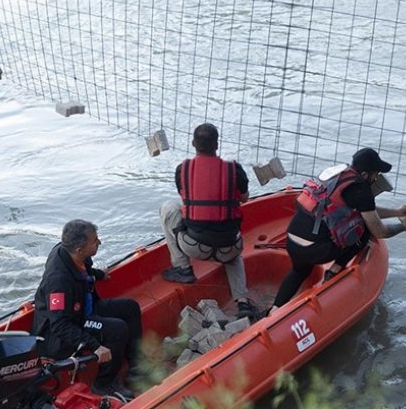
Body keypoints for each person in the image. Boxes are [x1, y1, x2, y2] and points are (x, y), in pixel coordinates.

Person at [268, 147, 406, 313]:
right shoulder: (361, 190)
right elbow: (379, 231)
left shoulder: (336, 175)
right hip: (315, 250)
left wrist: (397, 212)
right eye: (375, 174)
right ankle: (335, 270)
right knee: (365, 230)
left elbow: (366, 210)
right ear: (364, 175)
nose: (376, 178)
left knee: (299, 271)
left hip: (292, 241)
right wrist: (404, 227)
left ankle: (274, 310)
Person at [31, 219, 142, 400]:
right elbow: (59, 325)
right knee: (117, 329)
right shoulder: (58, 281)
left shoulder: (73, 254)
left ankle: (136, 367)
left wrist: (98, 274)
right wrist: (95, 346)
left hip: (84, 308)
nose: (99, 242)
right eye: (95, 241)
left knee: (130, 307)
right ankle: (103, 383)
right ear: (79, 249)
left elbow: (85, 269)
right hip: (64, 328)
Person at [159, 123, 259, 320]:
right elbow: (245, 198)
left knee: (169, 208)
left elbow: (185, 197)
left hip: (194, 247)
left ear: (193, 143)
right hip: (228, 248)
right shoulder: (234, 170)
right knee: (234, 256)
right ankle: (243, 302)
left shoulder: (182, 170)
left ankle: (183, 268)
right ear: (217, 144)